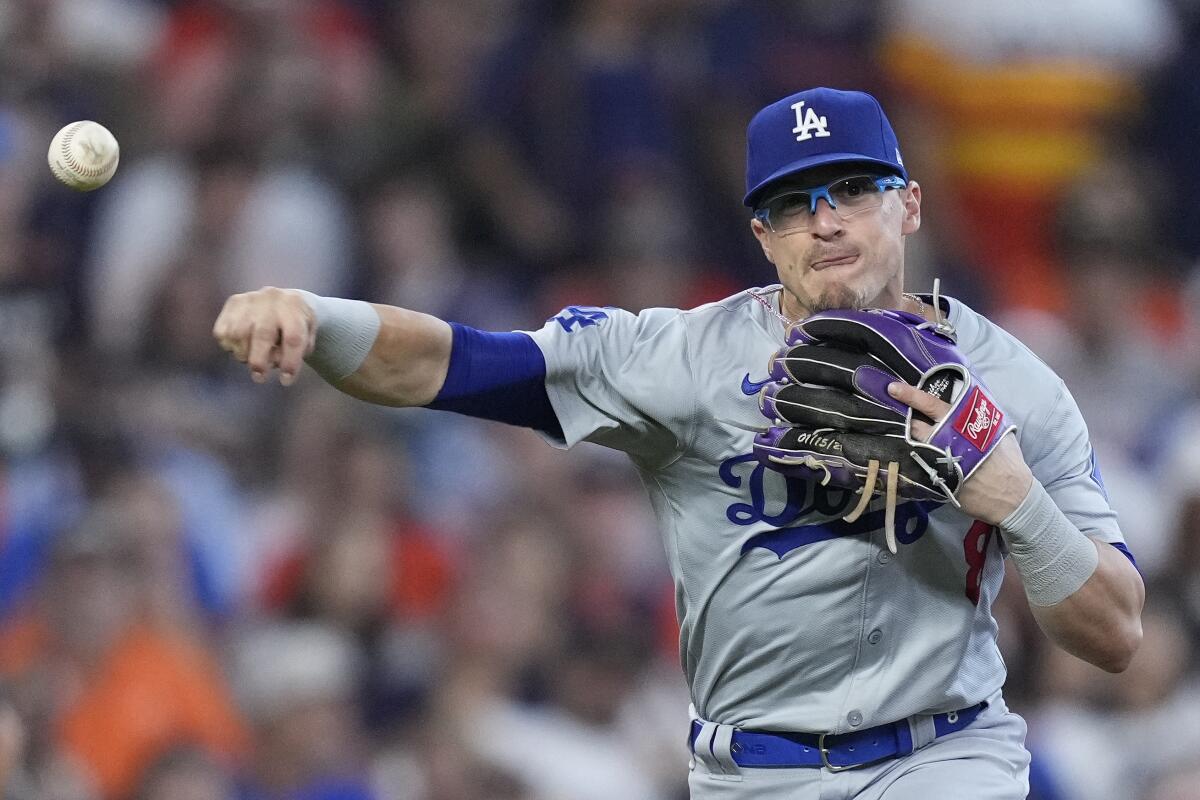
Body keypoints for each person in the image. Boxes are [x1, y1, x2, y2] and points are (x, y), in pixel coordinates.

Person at [212, 87, 1145, 799]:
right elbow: (456, 366)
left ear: (906, 204)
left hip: (946, 756)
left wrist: (1016, 500)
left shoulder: (1011, 381)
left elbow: (1115, 633)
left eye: (854, 190)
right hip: (754, 771)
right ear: (760, 234)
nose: (825, 221)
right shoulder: (682, 362)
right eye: (793, 203)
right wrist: (312, 313)